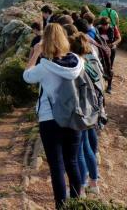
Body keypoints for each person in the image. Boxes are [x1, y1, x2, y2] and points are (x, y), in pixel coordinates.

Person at [23, 23, 83, 209]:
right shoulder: (78, 61)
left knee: (57, 166)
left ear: (46, 41)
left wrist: (35, 53)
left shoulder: (45, 66)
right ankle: (77, 202)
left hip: (50, 120)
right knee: (72, 162)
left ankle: (61, 206)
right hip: (73, 118)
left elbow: (26, 76)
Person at [69, 33, 100, 196]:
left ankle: (80, 188)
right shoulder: (87, 63)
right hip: (90, 112)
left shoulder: (75, 66)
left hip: (80, 113)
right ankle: (94, 183)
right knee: (88, 148)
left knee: (79, 150)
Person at [97, 17, 122, 93]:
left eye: (106, 25)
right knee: (100, 65)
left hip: (111, 49)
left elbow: (119, 39)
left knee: (109, 67)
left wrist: (112, 44)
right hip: (100, 49)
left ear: (109, 24)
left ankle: (109, 86)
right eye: (103, 25)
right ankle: (100, 83)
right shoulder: (98, 28)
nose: (104, 26)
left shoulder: (113, 28)